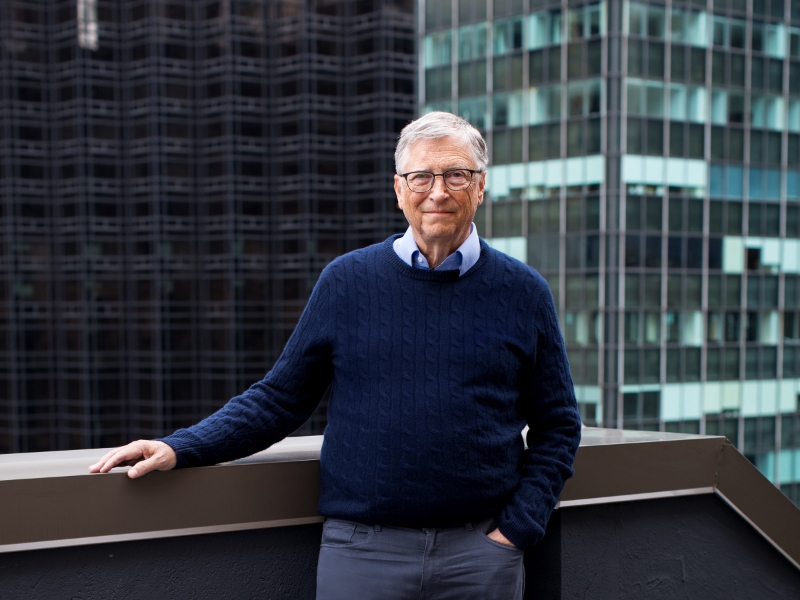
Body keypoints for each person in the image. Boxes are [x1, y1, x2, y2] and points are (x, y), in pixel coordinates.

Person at [89, 111, 582, 599]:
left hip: (480, 556)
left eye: (456, 175)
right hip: (363, 552)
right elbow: (279, 399)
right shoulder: (346, 282)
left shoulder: (524, 292)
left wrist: (516, 530)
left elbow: (558, 424)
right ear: (399, 189)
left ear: (480, 186)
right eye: (421, 176)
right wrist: (180, 447)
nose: (438, 191)